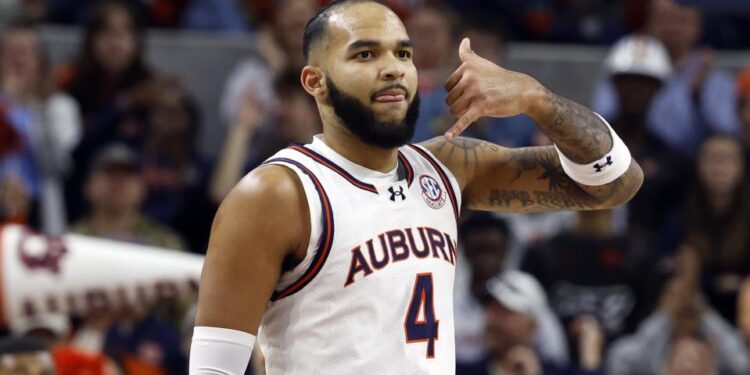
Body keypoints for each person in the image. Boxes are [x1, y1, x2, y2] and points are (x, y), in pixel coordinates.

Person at [191, 1, 643, 374]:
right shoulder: (277, 193)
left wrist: (536, 100)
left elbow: (615, 182)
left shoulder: (450, 167)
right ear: (316, 82)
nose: (392, 69)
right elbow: (214, 368)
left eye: (402, 54)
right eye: (365, 55)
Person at [0, 18, 82, 234]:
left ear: (41, 62)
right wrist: (6, 103)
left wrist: (38, 109)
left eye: (27, 52)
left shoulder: (60, 107)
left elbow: (58, 165)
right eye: (12, 52)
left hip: (39, 211)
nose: (19, 61)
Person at [462, 272, 603, 375]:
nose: (491, 320)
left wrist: (590, 353)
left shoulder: (558, 371)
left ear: (533, 323)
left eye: (504, 312)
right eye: (489, 310)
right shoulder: (458, 369)